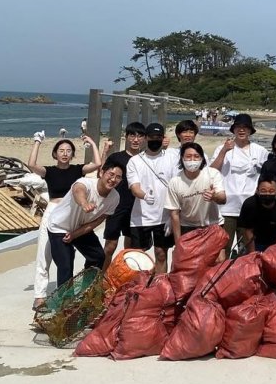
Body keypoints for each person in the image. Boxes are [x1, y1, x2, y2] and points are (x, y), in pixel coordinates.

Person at [28, 133, 102, 310]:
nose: (65, 153)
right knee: (44, 254)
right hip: (53, 212)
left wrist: (91, 142)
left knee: (74, 255)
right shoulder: (49, 172)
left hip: (72, 213)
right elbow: (31, 165)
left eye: (68, 150)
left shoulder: (78, 170)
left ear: (72, 154)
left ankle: (74, 292)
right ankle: (39, 296)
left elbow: (98, 164)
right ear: (55, 154)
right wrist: (37, 141)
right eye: (61, 150)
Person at [46, 158, 124, 289]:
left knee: (98, 256)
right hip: (59, 227)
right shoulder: (85, 183)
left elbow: (98, 220)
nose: (113, 179)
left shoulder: (115, 197)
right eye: (111, 174)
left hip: (80, 227)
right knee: (66, 264)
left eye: (118, 177)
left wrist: (75, 234)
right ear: (101, 173)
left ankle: (86, 291)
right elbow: (78, 191)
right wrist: (84, 203)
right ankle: (64, 303)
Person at [210, 113, 269, 255]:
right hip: (226, 208)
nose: (241, 130)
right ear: (233, 130)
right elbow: (211, 171)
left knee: (247, 248)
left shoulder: (260, 151)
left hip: (249, 207)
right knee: (224, 247)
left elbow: (266, 175)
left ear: (250, 130)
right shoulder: (222, 148)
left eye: (245, 127)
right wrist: (224, 151)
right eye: (238, 127)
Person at [126, 122, 179, 273]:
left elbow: (176, 186)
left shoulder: (172, 157)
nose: (154, 140)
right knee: (139, 256)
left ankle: (160, 286)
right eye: (151, 137)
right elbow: (134, 187)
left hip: (164, 216)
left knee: (161, 254)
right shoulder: (135, 161)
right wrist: (143, 195)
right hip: (140, 216)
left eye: (158, 137)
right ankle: (140, 288)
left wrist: (172, 214)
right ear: (145, 138)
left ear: (163, 138)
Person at [101, 122, 146, 273]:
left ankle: (126, 277)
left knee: (132, 248)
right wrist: (105, 152)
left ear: (144, 139)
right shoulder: (116, 157)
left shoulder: (146, 159)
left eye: (140, 136)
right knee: (110, 246)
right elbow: (101, 175)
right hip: (117, 207)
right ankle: (101, 278)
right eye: (132, 135)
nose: (136, 139)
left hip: (137, 208)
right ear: (126, 137)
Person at [165, 142, 226, 245]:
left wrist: (214, 196)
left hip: (212, 225)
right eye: (188, 157)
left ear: (202, 158)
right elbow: (174, 214)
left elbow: (223, 199)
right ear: (182, 159)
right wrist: (178, 242)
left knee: (219, 259)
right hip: (187, 227)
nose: (192, 160)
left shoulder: (212, 174)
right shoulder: (175, 182)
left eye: (196, 156)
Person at [237, 176, 276, 253]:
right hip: (256, 242)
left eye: (271, 191)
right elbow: (248, 231)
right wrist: (252, 254)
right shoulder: (250, 204)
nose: (267, 194)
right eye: (263, 191)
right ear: (257, 190)